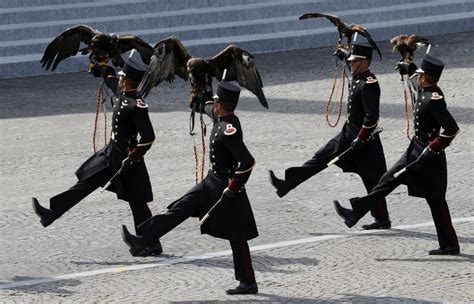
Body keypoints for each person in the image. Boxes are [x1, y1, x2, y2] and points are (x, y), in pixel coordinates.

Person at [121, 81, 259, 295]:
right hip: (210, 182)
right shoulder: (221, 116)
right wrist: (199, 95)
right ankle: (144, 239)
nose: (214, 104)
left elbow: (247, 162)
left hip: (225, 187)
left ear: (221, 103)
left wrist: (232, 189)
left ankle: (248, 282)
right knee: (181, 207)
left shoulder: (228, 129)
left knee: (237, 235)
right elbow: (206, 107)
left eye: (216, 101)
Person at [32, 50, 160, 253]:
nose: (119, 80)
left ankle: (150, 242)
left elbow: (148, 137)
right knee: (86, 181)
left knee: (138, 201)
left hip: (127, 159)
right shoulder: (124, 95)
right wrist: (103, 69)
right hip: (111, 154)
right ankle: (52, 213)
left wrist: (134, 157)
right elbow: (110, 81)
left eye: (122, 77)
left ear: (126, 81)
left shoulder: (137, 106)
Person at [334, 54, 460, 255]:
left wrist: (434, 147)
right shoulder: (425, 89)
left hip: (428, 156)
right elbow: (414, 81)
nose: (417, 78)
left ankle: (450, 244)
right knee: (387, 180)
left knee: (436, 200)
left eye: (420, 75)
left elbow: (452, 128)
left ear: (425, 77)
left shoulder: (433, 99)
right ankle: (355, 212)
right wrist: (409, 66)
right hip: (415, 149)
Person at [269, 44, 391, 229]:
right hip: (348, 133)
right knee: (320, 157)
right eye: (350, 61)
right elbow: (354, 72)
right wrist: (345, 55)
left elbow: (371, 117)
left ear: (365, 62)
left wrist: (361, 137)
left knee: (373, 179)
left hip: (364, 140)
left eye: (354, 61)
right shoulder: (358, 77)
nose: (351, 64)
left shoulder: (369, 84)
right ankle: (287, 183)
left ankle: (380, 218)